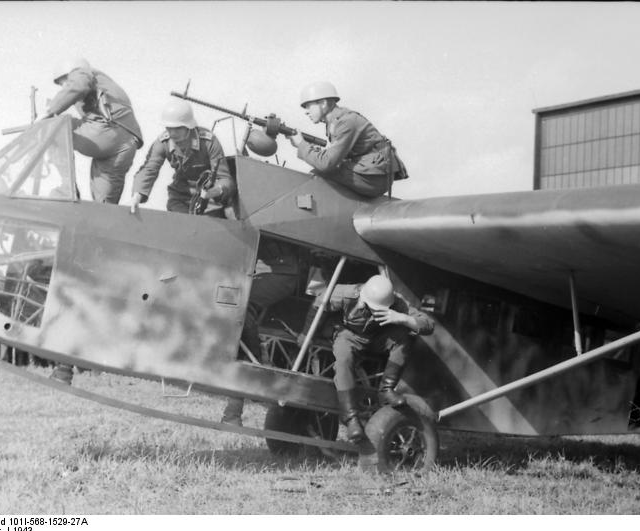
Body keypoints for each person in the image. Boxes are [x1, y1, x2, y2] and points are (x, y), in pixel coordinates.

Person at [297, 275, 434, 442]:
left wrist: (402, 318)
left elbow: (428, 324)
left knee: (405, 337)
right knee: (343, 360)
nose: (375, 311)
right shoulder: (345, 293)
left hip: (377, 337)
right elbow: (319, 303)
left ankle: (386, 390)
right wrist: (306, 333)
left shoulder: (397, 302)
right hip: (348, 334)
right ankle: (351, 418)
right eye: (372, 307)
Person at [221, 238, 301, 426]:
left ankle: (258, 365)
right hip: (260, 270)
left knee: (240, 306)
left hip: (282, 272)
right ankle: (233, 412)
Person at [43, 58, 143, 204]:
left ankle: (67, 188)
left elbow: (78, 85)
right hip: (126, 145)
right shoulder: (104, 82)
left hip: (107, 132)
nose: (64, 87)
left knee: (55, 125)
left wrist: (48, 112)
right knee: (104, 206)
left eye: (63, 82)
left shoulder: (82, 73)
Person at [285, 81, 407, 198]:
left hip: (375, 178)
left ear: (323, 103)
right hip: (370, 172)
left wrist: (301, 145)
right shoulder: (335, 122)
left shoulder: (345, 122)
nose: (306, 112)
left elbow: (326, 163)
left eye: (308, 106)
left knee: (320, 172)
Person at [130, 100, 235, 216]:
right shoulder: (163, 142)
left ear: (188, 127)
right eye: (169, 128)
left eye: (178, 128)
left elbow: (225, 179)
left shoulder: (208, 142)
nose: (172, 133)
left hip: (209, 200)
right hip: (180, 197)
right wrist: (137, 195)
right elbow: (149, 169)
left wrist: (215, 191)